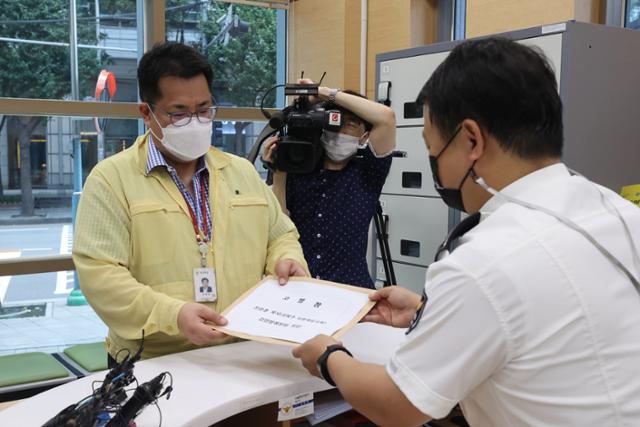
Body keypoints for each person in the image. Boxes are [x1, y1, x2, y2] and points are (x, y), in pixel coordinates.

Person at [293, 37, 640, 426]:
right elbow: (548, 321)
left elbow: (399, 405)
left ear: (471, 140)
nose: (435, 167)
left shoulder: (482, 262)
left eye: (432, 147)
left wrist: (328, 358)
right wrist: (431, 313)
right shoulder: (618, 212)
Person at [73, 42, 308, 363]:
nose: (195, 122)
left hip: (247, 351)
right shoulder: (112, 180)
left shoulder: (239, 171)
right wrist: (173, 314)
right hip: (154, 359)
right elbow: (100, 275)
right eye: (179, 113)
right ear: (147, 113)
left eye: (204, 109)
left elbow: (280, 235)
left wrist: (286, 259)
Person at [262, 81, 396, 288]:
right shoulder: (301, 166)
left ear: (365, 136)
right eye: (335, 121)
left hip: (350, 289)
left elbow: (386, 117)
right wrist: (279, 171)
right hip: (300, 284)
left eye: (351, 124)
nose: (341, 130)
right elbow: (279, 224)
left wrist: (322, 93)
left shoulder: (368, 173)